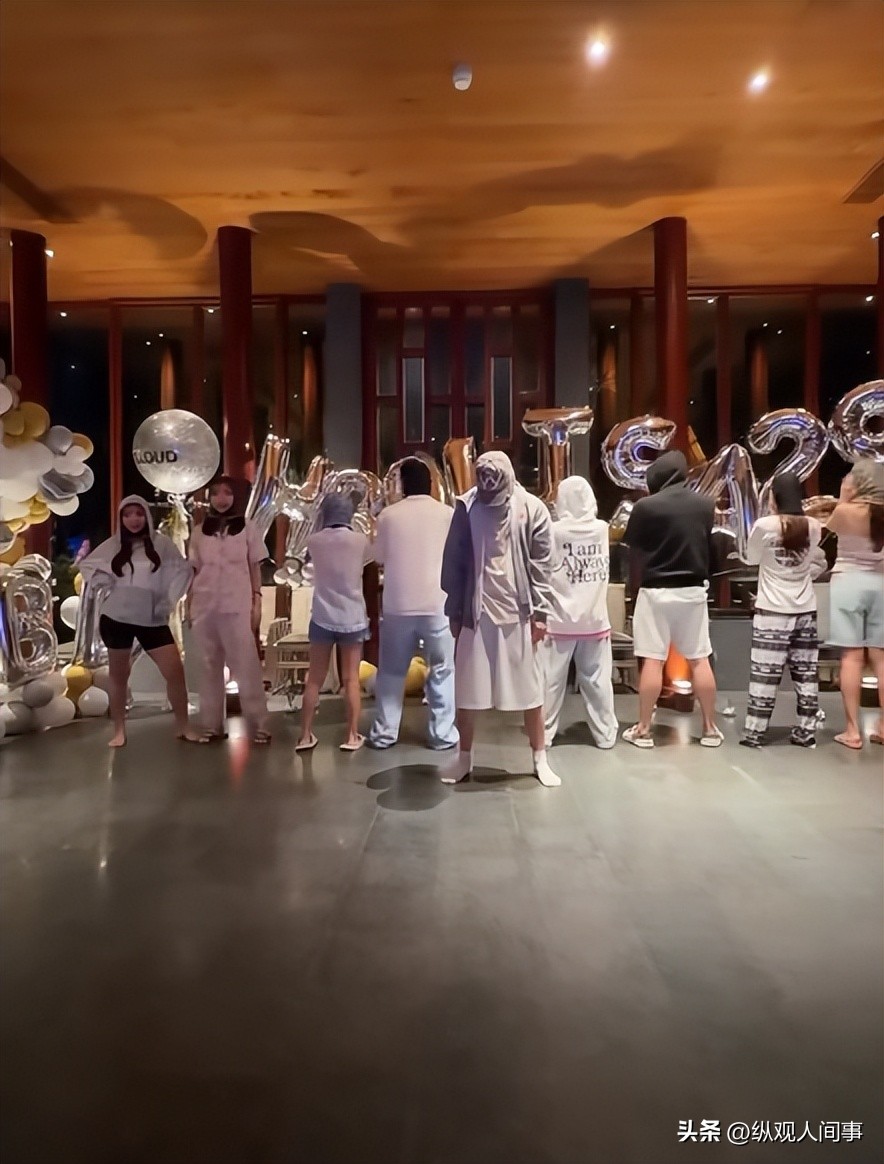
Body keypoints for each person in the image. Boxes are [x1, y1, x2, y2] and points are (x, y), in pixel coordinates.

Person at [440, 450, 560, 786]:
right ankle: (464, 758)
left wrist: (540, 613)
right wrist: (454, 609)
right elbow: (454, 561)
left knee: (531, 691)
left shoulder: (531, 508)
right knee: (467, 692)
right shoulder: (466, 507)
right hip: (475, 612)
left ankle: (540, 758)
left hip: (519, 612)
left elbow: (542, 565)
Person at [621, 450, 722, 748]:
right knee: (699, 659)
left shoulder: (646, 507)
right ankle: (710, 729)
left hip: (655, 590)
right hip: (693, 590)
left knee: (653, 660)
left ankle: (643, 729)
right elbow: (709, 544)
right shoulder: (705, 505)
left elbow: (633, 548)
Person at [79, 495, 197, 747]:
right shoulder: (113, 545)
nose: (134, 519)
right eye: (127, 514)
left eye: (139, 513)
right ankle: (119, 730)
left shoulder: (162, 544)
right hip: (117, 618)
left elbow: (182, 570)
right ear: (121, 518)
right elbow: (88, 567)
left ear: (146, 516)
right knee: (119, 676)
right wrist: (105, 583)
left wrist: (169, 600)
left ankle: (183, 726)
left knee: (175, 672)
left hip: (153, 618)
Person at [368, 458, 458, 751]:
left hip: (398, 604)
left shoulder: (388, 516)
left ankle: (385, 733)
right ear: (430, 483)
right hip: (438, 603)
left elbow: (378, 557)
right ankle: (442, 734)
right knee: (442, 669)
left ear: (403, 484)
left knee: (392, 672)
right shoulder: (447, 514)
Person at [740, 472, 827, 749]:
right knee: (806, 673)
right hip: (805, 609)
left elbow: (751, 558)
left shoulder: (765, 525)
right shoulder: (814, 526)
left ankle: (755, 732)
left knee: (765, 674)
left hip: (772, 611)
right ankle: (806, 731)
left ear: (774, 498)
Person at [188, 476, 270, 745]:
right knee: (209, 666)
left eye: (227, 493)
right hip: (204, 604)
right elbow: (194, 571)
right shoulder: (199, 531)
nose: (221, 499)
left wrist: (257, 600)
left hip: (237, 604)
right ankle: (211, 725)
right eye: (215, 493)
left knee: (246, 665)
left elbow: (255, 567)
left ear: (236, 496)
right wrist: (189, 605)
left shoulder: (247, 528)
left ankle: (259, 725)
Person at [543, 476, 618, 750]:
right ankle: (605, 734)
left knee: (550, 683)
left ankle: (544, 734)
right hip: (594, 619)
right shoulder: (601, 529)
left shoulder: (554, 531)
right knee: (598, 681)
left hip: (559, 619)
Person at [296, 493, 373, 753]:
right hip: (352, 616)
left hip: (322, 615)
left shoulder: (314, 541)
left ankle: (305, 736)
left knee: (314, 680)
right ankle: (351, 735)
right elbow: (370, 559)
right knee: (351, 680)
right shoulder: (359, 540)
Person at [825, 460, 884, 749]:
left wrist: (843, 497)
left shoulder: (845, 511)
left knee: (851, 657)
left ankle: (852, 730)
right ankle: (883, 727)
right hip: (881, 584)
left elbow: (829, 529)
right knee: (881, 658)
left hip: (848, 582)